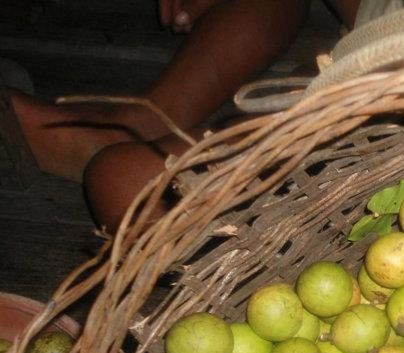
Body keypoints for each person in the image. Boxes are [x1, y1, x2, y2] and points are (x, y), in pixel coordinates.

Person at [6, 0, 364, 233]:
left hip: (385, 98)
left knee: (123, 188)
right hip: (365, 36)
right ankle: (145, 121)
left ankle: (125, 140)